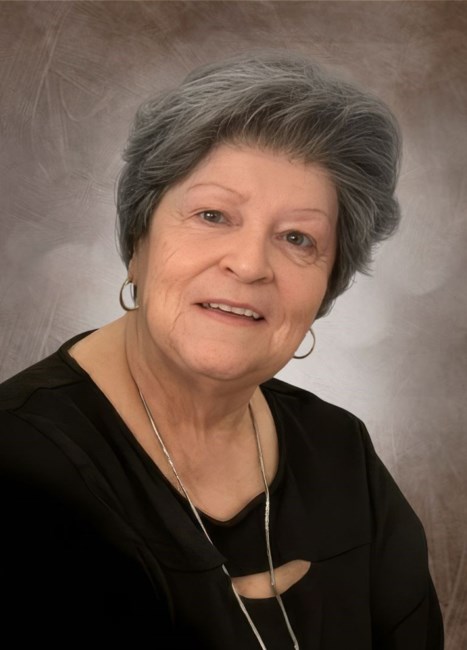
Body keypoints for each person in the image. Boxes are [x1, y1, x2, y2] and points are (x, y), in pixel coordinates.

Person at [0, 51, 443, 649]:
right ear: (138, 240)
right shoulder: (20, 461)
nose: (250, 264)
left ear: (327, 286)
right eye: (213, 215)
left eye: (297, 238)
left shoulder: (340, 455)